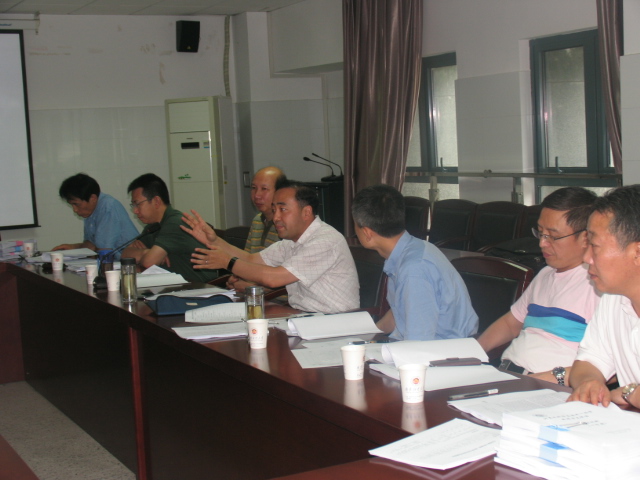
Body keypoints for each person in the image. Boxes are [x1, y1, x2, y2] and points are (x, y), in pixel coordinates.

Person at [478, 187, 600, 385]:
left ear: (586, 237)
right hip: (509, 373)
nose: (542, 243)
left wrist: (535, 381)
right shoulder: (545, 274)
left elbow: (605, 364)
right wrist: (473, 352)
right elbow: (511, 324)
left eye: (553, 236)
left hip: (551, 386)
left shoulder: (599, 286)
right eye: (541, 233)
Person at [182, 180, 359, 314]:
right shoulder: (291, 241)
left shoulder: (325, 241)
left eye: (283, 210)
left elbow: (274, 279)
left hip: (335, 322)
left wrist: (228, 262)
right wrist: (215, 241)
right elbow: (252, 259)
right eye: (274, 210)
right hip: (304, 317)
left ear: (306, 212)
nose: (276, 218)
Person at [351, 184, 478, 340]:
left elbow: (418, 342)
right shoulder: (411, 249)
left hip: (443, 351)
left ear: (367, 233)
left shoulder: (414, 270)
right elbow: (400, 313)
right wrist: (364, 338)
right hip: (423, 345)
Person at [568, 185, 640, 409]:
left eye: (595, 246)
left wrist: (629, 392)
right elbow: (589, 360)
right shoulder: (613, 298)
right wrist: (589, 382)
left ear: (637, 253)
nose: (586, 258)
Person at [121, 173, 219, 283]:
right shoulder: (153, 226)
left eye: (138, 204)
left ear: (156, 201)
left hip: (201, 287)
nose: (135, 211)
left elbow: (148, 262)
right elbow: (125, 255)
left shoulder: (175, 223)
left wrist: (147, 256)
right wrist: (146, 252)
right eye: (133, 205)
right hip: (175, 285)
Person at [225, 166, 287, 293]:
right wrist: (237, 278)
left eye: (264, 189)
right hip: (255, 296)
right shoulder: (257, 220)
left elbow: (289, 281)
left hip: (277, 299)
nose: (257, 195)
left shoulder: (287, 226)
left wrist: (253, 288)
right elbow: (247, 261)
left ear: (280, 192)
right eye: (253, 188)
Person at [53, 173, 139, 259]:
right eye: (72, 205)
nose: (75, 210)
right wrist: (72, 247)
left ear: (92, 198)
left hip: (131, 263)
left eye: (76, 204)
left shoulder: (108, 207)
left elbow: (104, 251)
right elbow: (91, 245)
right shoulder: (90, 210)